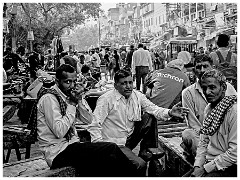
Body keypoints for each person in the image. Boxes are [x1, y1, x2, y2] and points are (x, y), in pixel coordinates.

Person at [27, 64, 138, 177]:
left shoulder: (67, 96)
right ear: (57, 81)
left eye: (74, 81)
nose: (72, 86)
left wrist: (79, 99)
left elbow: (89, 119)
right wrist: (72, 104)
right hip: (57, 152)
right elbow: (59, 131)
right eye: (67, 82)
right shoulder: (49, 98)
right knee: (110, 148)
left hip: (72, 146)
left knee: (106, 163)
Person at [87, 69, 189, 176]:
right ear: (116, 85)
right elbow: (94, 125)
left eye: (130, 82)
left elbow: (153, 108)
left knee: (150, 116)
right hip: (114, 143)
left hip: (129, 138)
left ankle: (147, 150)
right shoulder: (106, 99)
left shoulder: (136, 95)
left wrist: (170, 112)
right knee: (140, 165)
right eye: (124, 83)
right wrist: (101, 149)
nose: (128, 86)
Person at [181, 54, 236, 160]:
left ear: (212, 68)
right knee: (188, 134)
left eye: (205, 66)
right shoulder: (187, 93)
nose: (202, 70)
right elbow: (194, 125)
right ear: (194, 71)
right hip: (203, 136)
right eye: (198, 67)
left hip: (225, 135)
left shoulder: (227, 87)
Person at [191, 69, 237, 177]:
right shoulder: (209, 109)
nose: (207, 92)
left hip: (230, 165)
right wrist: (198, 166)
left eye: (212, 87)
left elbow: (235, 153)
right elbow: (203, 141)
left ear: (223, 88)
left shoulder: (234, 112)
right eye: (204, 88)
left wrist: (206, 169)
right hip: (212, 162)